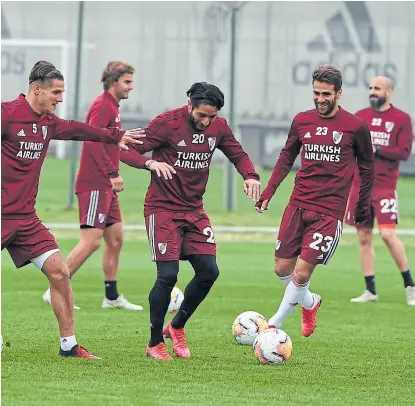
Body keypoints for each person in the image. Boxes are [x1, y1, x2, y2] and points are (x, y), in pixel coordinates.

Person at [1, 60, 145, 359]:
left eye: (62, 92)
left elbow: (80, 130)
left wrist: (116, 136)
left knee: (59, 271)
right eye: (56, 91)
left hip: (25, 218)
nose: (60, 98)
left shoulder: (49, 123)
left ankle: (69, 345)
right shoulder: (7, 115)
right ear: (36, 89)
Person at [120, 82, 261, 360]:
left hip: (194, 210)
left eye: (211, 116)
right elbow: (125, 149)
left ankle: (176, 326)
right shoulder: (166, 124)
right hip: (162, 209)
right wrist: (149, 163)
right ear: (190, 105)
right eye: (201, 115)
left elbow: (238, 154)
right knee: (168, 276)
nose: (206, 121)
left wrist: (251, 176)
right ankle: (153, 342)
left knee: (209, 271)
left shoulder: (218, 128)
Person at [255, 65, 374, 337]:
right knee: (281, 268)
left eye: (326, 94)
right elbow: (286, 158)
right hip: (297, 204)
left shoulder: (355, 127)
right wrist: (269, 191)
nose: (320, 99)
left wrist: (362, 205)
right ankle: (309, 302)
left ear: (339, 93)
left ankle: (273, 326)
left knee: (300, 273)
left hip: (329, 211)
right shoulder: (301, 121)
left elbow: (367, 168)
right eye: (316, 93)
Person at [42, 62, 143, 311]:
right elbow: (92, 140)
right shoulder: (102, 105)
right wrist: (112, 173)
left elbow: (112, 143)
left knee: (116, 238)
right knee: (91, 241)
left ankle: (111, 297)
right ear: (113, 82)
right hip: (95, 183)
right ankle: (52, 290)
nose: (131, 86)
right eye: (127, 82)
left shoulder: (113, 107)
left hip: (106, 185)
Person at [345, 76, 414, 305]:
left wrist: (376, 148)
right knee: (364, 237)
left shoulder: (402, 119)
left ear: (389, 92)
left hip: (385, 187)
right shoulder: (361, 116)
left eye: (377, 89)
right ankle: (370, 291)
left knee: (387, 234)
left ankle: (410, 285)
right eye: (371, 88)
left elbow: (404, 152)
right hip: (360, 186)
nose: (373, 92)